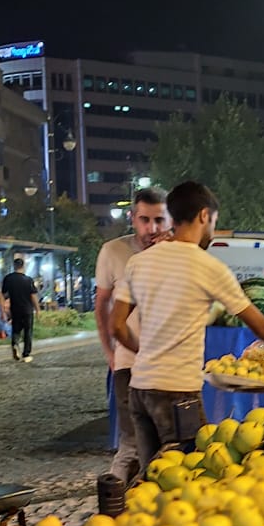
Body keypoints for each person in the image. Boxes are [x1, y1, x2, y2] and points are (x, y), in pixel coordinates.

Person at [111, 179, 264, 473]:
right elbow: (261, 327)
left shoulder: (139, 262)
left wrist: (145, 353)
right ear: (204, 216)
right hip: (177, 393)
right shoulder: (208, 266)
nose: (212, 231)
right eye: (213, 222)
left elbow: (116, 325)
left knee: (151, 478)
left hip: (139, 389)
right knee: (189, 474)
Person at [96, 187, 171, 489]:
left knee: (169, 444)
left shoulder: (179, 253)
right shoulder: (113, 251)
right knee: (131, 445)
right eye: (144, 220)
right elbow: (101, 305)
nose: (151, 229)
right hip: (128, 362)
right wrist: (108, 353)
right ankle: (115, 509)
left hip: (168, 365)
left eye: (159, 220)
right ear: (132, 218)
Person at [1, 254, 40, 362]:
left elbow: (3, 294)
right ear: (23, 266)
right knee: (28, 331)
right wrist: (38, 309)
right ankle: (26, 354)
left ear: (14, 266)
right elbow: (33, 296)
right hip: (27, 309)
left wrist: (3, 306)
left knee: (16, 330)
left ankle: (15, 344)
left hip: (15, 308)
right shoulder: (28, 280)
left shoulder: (8, 279)